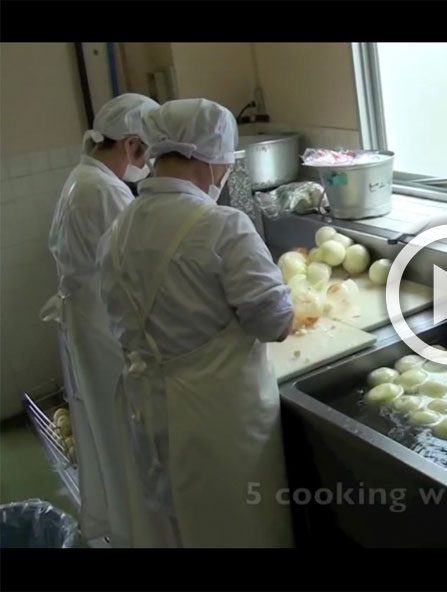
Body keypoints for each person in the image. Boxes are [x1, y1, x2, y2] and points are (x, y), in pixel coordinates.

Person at [96, 98, 295, 548]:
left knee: (179, 527)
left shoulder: (117, 232)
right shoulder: (223, 226)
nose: (224, 173)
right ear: (208, 160)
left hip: (151, 410)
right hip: (219, 420)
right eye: (225, 163)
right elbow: (275, 322)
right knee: (240, 530)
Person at [44, 93, 159, 547]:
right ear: (131, 145)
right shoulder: (105, 191)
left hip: (88, 326)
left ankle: (124, 528)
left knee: (106, 434)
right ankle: (137, 532)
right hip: (104, 331)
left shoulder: (82, 178)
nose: (147, 165)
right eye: (146, 154)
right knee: (122, 436)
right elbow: (137, 266)